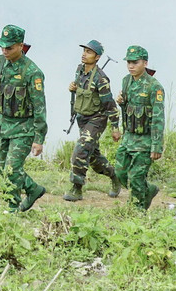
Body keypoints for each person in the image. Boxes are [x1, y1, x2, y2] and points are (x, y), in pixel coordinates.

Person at [0, 25, 47, 213]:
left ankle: (12, 208)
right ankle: (33, 189)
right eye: (3, 47)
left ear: (21, 46)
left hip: (24, 127)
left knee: (12, 169)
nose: (5, 51)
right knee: (1, 167)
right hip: (4, 124)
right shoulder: (0, 61)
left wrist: (39, 139)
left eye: (9, 47)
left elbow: (40, 108)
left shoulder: (32, 73)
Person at [64, 39, 122, 202]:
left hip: (97, 119)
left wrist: (115, 127)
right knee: (94, 157)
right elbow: (80, 87)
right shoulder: (80, 70)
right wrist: (72, 88)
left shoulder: (101, 79)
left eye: (89, 52)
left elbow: (110, 104)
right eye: (84, 51)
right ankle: (115, 176)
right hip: (82, 118)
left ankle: (77, 188)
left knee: (80, 150)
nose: (84, 54)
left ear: (97, 57)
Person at [114, 45, 164, 211]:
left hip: (145, 139)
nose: (131, 66)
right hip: (129, 136)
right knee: (120, 172)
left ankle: (138, 210)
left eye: (135, 62)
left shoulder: (154, 86)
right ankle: (148, 190)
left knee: (136, 176)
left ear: (145, 63)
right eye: (128, 62)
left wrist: (156, 146)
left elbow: (158, 118)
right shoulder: (126, 81)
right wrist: (121, 102)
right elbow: (128, 108)